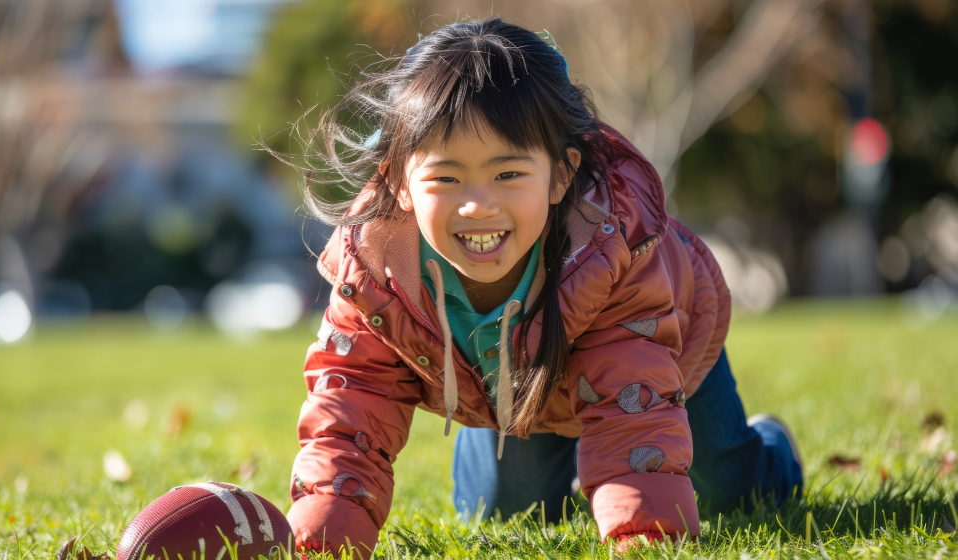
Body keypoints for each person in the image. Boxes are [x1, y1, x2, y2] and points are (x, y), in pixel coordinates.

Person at [284, 16, 803, 557]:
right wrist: (325, 539)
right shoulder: (375, 276)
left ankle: (770, 451)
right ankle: (580, 474)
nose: (477, 205)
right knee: (504, 510)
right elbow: (349, 414)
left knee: (734, 490)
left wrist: (643, 538)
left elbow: (633, 407)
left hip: (660, 351)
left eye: (508, 174)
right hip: (517, 392)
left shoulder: (612, 254)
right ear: (399, 182)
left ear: (560, 175)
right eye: (446, 177)